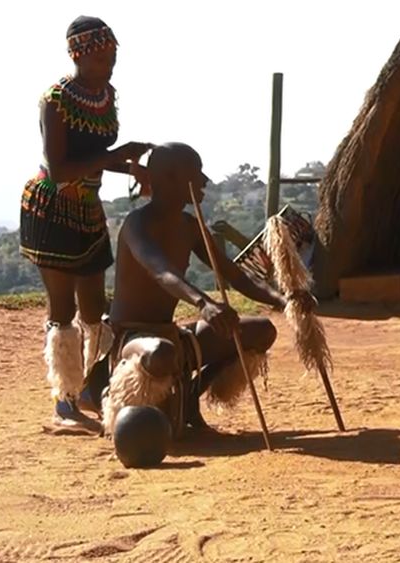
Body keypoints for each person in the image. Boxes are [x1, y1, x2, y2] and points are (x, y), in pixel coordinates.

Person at [91, 143, 314, 437]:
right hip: (132, 339)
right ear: (170, 178)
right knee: (160, 353)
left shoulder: (189, 226)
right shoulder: (137, 224)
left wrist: (285, 299)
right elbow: (161, 272)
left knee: (261, 331)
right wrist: (204, 303)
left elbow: (236, 276)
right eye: (196, 173)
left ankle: (189, 396)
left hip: (173, 336)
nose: (205, 181)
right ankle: (128, 403)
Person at [20, 15, 151, 430]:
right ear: (78, 55)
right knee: (63, 309)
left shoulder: (105, 96)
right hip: (53, 209)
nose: (108, 65)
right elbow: (60, 169)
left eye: (112, 57)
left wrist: (130, 168)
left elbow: (96, 155)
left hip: (88, 210)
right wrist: (117, 157)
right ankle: (66, 400)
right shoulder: (55, 101)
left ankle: (94, 384)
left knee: (94, 308)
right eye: (99, 58)